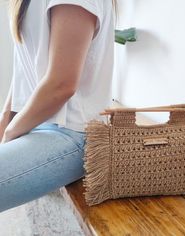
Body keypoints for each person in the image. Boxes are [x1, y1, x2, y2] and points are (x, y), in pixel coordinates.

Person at [0, 0, 116, 212]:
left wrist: (10, 131)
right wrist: (4, 124)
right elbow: (23, 75)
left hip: (73, 133)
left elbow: (61, 84)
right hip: (37, 124)